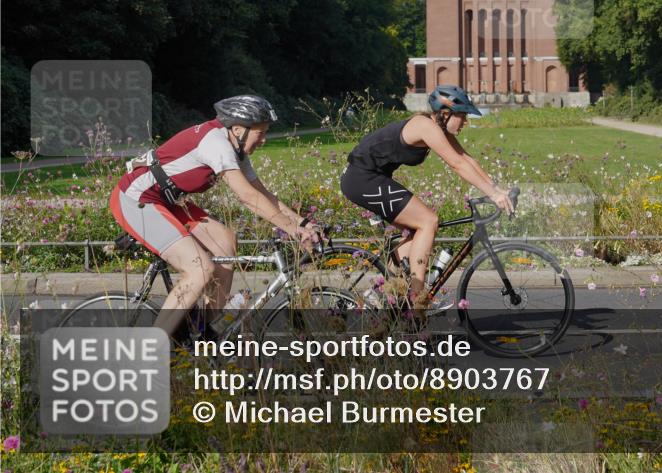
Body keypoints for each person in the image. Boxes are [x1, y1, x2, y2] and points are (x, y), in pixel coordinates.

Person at [110, 95, 318, 340]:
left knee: (225, 244)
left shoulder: (235, 148)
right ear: (238, 129)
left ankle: (199, 332)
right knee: (199, 269)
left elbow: (261, 193)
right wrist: (291, 230)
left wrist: (300, 223)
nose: (263, 140)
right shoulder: (216, 143)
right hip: (135, 198)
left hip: (167, 201)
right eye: (260, 133)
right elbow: (246, 196)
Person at [340, 84, 512, 313]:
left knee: (417, 231)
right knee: (428, 221)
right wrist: (492, 194)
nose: (466, 122)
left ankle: (380, 291)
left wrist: (497, 190)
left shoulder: (437, 127)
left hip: (369, 177)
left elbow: (468, 160)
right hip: (362, 178)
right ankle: (418, 297)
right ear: (446, 113)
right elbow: (457, 164)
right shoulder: (425, 126)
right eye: (463, 116)